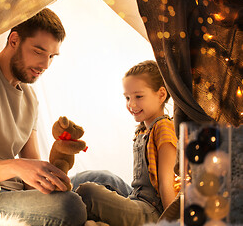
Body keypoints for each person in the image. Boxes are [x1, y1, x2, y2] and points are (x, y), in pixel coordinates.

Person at [0, 8, 86, 226]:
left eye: (51, 56)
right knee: (71, 206)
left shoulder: (30, 97)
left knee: (99, 183)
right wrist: (17, 166)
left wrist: (56, 169)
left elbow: (32, 171)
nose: (45, 65)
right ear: (14, 40)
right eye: (39, 52)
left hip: (20, 193)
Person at [74, 60, 178, 225]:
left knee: (88, 191)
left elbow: (167, 183)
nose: (131, 104)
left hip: (152, 212)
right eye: (127, 97)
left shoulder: (164, 128)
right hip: (136, 201)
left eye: (139, 96)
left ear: (161, 95)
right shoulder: (142, 131)